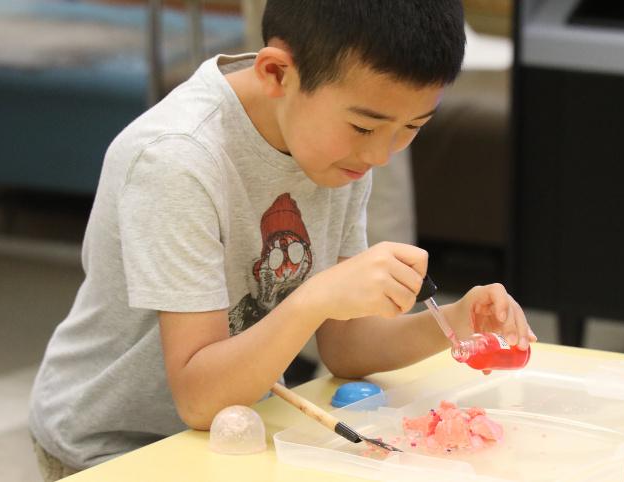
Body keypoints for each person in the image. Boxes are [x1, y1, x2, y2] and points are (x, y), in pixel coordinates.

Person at [28, 1, 536, 479]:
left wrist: (454, 320)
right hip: (114, 449)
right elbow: (200, 397)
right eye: (365, 126)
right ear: (276, 73)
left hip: (235, 426)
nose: (382, 154)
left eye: (412, 127)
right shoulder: (176, 160)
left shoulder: (339, 147)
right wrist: (316, 299)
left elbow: (346, 347)